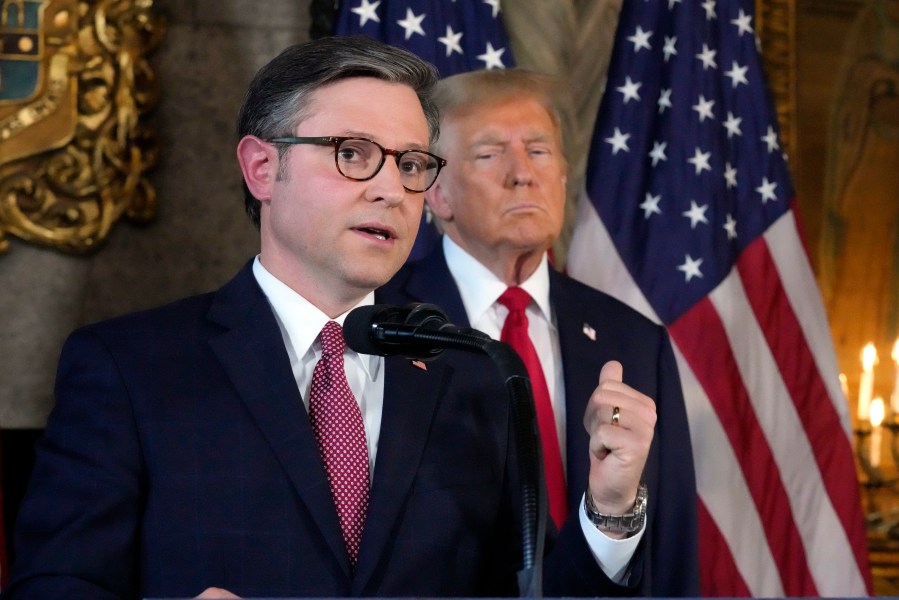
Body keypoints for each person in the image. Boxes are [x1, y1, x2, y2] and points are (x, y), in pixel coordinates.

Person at [6, 37, 656, 599]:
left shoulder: (472, 375)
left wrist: (609, 512)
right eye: (352, 152)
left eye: (409, 164)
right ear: (263, 167)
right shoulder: (128, 367)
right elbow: (53, 584)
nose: (388, 189)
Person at [379, 68, 700, 596]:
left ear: (564, 176)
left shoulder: (635, 341)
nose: (522, 173)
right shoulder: (383, 326)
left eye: (539, 151)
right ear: (435, 194)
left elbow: (671, 552)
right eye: (489, 154)